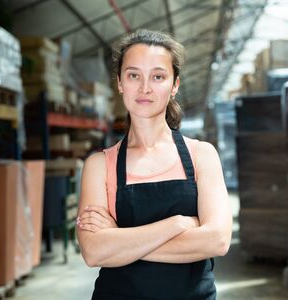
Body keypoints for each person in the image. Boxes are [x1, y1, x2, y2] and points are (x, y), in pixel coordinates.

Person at [76, 29, 232, 300]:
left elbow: (217, 240)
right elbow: (93, 252)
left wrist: (120, 240)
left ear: (174, 85)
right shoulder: (100, 165)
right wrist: (177, 225)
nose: (145, 88)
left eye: (158, 76)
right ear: (120, 83)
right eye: (134, 75)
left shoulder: (202, 156)